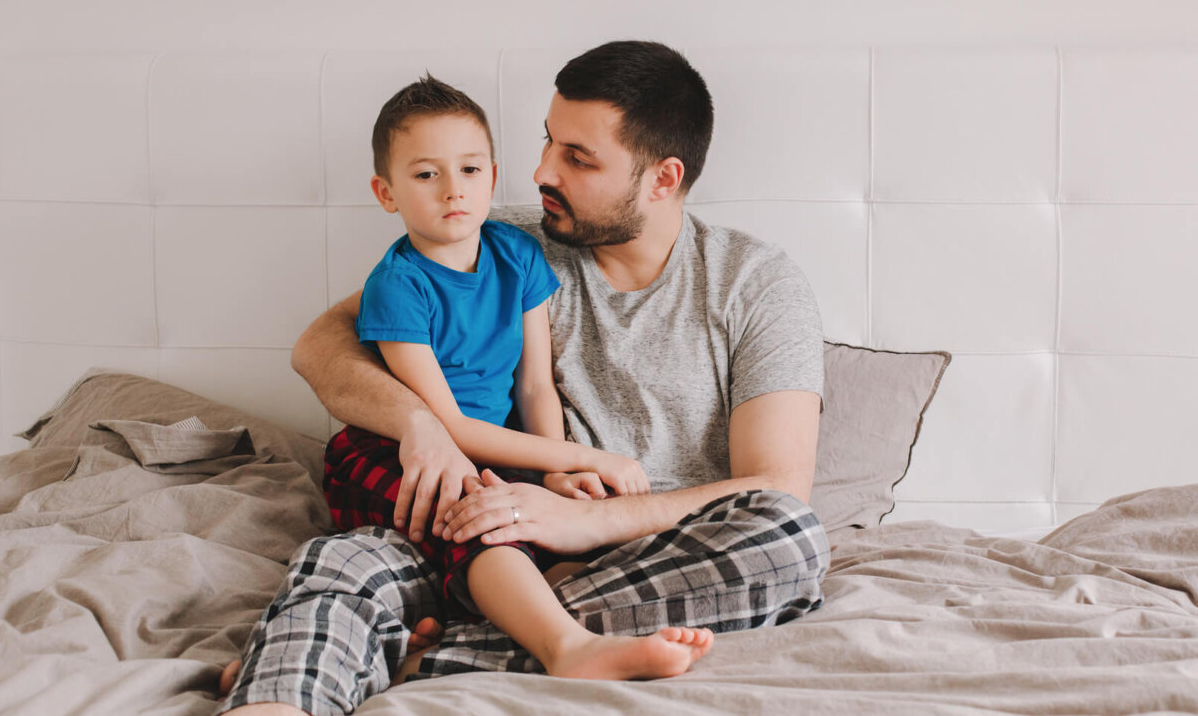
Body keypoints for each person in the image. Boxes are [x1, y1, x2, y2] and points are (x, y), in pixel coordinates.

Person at [219, 41, 830, 716]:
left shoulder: (755, 285)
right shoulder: (502, 238)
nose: (542, 171)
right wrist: (421, 424)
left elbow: (778, 485)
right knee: (344, 564)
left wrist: (587, 521)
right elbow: (321, 345)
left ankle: (419, 652)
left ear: (662, 178)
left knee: (789, 539)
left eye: (578, 158)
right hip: (478, 518)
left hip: (648, 562)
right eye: (548, 141)